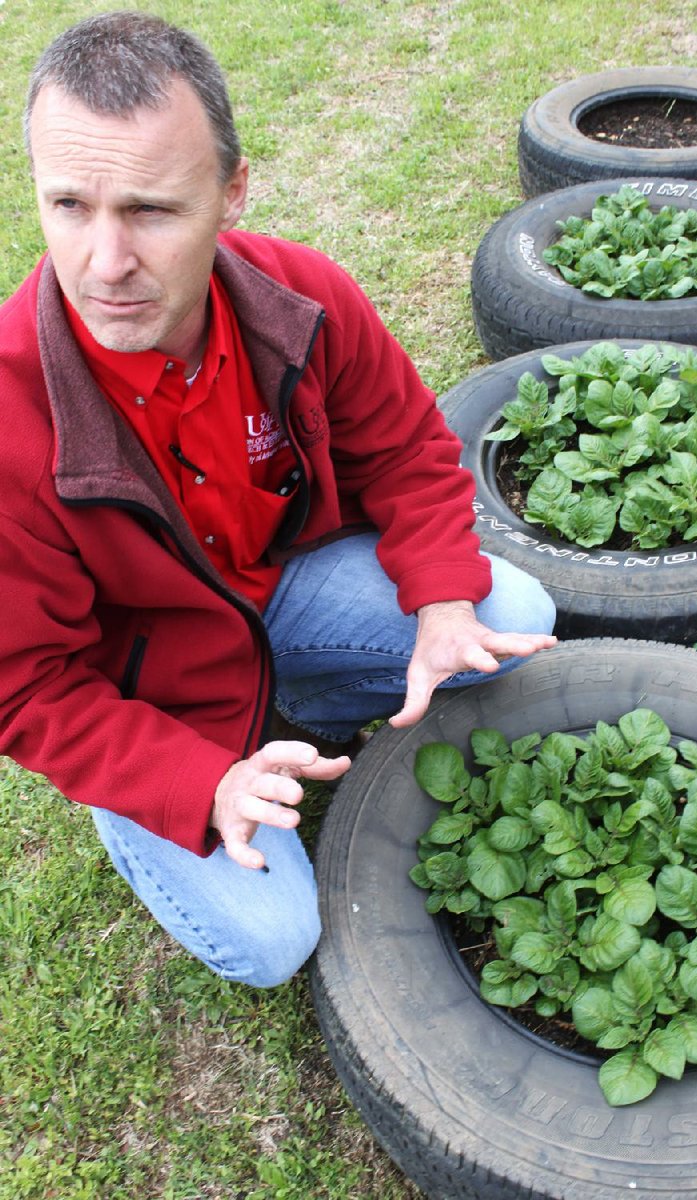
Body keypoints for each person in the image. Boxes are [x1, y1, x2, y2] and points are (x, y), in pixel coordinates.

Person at [1, 10, 556, 987]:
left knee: (504, 612)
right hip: (152, 695)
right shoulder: (10, 413)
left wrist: (435, 600)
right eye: (69, 206)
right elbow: (27, 688)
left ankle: (290, 699)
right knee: (270, 942)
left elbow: (408, 449)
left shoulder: (301, 299)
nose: (104, 262)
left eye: (151, 210)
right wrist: (189, 781)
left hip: (279, 593)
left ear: (231, 190)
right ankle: (139, 797)